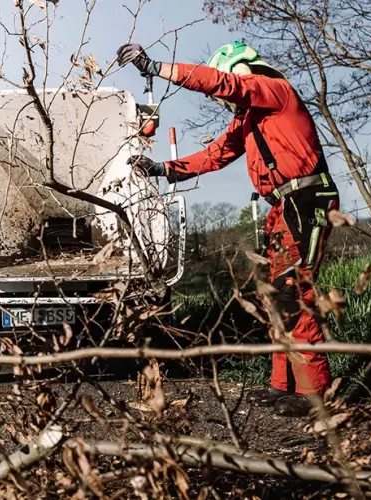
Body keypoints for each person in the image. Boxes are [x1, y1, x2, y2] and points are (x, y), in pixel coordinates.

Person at [117, 41, 340, 417]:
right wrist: (164, 169)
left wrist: (157, 67)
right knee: (275, 298)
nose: (223, 101)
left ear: (240, 70)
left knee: (292, 294)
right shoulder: (248, 119)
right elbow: (215, 154)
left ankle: (315, 392)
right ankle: (282, 385)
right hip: (283, 207)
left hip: (306, 199)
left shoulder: (275, 90)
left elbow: (225, 84)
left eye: (224, 90)